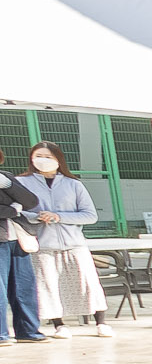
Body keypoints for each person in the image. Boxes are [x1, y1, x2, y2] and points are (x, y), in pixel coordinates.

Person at [20, 143, 110, 339]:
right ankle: (59, 325)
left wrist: (59, 216)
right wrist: (37, 217)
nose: (42, 160)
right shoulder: (23, 182)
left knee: (87, 283)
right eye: (38, 155)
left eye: (48, 156)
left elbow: (89, 215)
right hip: (42, 245)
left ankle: (101, 322)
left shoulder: (73, 184)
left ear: (58, 160)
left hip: (74, 244)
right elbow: (17, 211)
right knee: (49, 287)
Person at [0, 152, 40, 344]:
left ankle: (28, 331)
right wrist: (13, 209)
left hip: (18, 238)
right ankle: (1, 334)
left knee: (24, 286)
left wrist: (7, 185)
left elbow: (31, 202)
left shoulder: (6, 177)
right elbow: (17, 206)